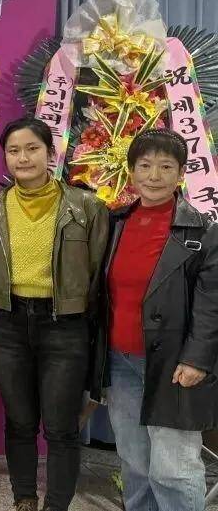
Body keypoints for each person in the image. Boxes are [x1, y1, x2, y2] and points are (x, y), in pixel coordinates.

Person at [0, 117, 109, 511]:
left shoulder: (86, 206)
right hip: (9, 324)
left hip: (65, 327)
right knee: (19, 422)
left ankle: (56, 505)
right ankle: (24, 497)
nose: (23, 158)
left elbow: (98, 274)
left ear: (50, 153)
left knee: (60, 427)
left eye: (32, 148)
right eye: (14, 151)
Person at [92, 129, 218, 511]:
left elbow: (211, 302)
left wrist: (197, 359)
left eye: (166, 167)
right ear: (131, 171)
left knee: (174, 468)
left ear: (181, 173)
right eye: (145, 166)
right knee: (134, 462)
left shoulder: (202, 230)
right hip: (120, 361)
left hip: (174, 364)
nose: (154, 176)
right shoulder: (115, 222)